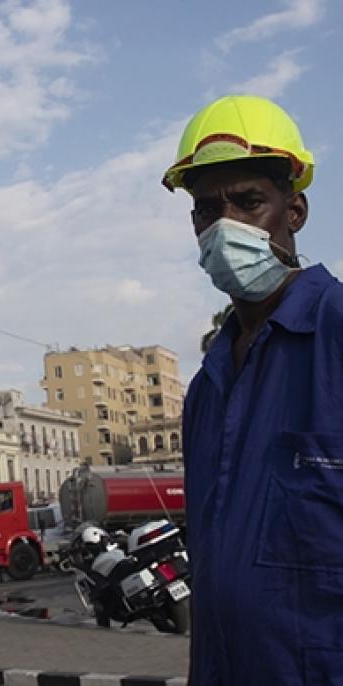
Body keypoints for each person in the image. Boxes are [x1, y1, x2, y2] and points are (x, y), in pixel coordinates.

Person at [163, 94, 343, 686]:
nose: (225, 225)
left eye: (248, 202)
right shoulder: (209, 383)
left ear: (295, 210)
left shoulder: (335, 335)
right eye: (206, 209)